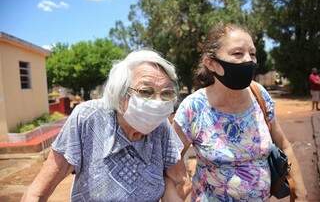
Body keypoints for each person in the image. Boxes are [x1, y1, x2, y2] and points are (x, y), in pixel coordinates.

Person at [21, 49, 184, 201]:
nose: (157, 103)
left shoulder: (161, 127)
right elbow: (38, 191)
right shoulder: (87, 118)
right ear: (121, 94)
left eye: (166, 94)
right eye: (146, 92)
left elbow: (174, 178)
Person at [168, 23, 307, 201]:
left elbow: (284, 145)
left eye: (252, 53)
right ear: (211, 63)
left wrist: (300, 190)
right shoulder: (193, 108)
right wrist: (181, 186)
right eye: (237, 53)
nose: (248, 60)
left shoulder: (259, 95)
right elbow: (171, 161)